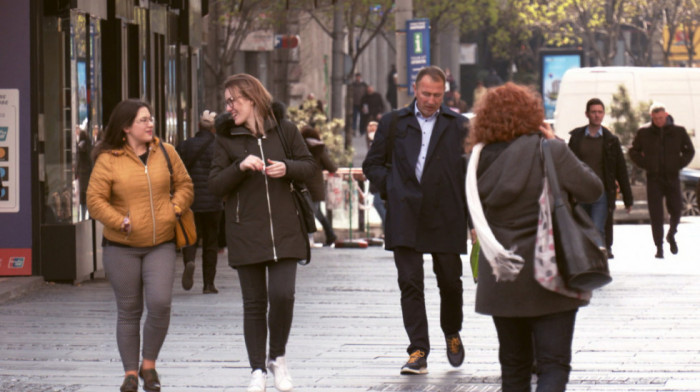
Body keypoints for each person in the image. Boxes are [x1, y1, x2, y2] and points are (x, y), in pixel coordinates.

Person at [466, 82, 603, 391]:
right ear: (532, 114)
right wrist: (557, 144)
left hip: (502, 279)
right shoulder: (550, 150)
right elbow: (592, 189)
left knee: (514, 367)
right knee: (553, 365)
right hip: (551, 274)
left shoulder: (475, 159)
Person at [208, 73, 316, 392]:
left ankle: (277, 358)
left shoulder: (285, 130)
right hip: (245, 232)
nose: (229, 108)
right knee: (254, 303)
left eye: (234, 101)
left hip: (286, 229)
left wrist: (287, 167)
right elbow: (214, 186)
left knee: (283, 295)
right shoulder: (226, 139)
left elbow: (309, 167)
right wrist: (239, 167)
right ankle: (257, 369)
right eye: (226, 102)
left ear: (252, 99)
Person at [362, 65, 469, 374]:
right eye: (426, 93)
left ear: (444, 94)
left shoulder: (459, 125)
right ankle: (418, 350)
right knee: (410, 282)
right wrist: (392, 187)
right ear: (414, 89)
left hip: (446, 213)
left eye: (437, 95)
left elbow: (469, 175)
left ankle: (451, 330)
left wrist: (474, 221)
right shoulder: (393, 122)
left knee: (450, 281)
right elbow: (372, 164)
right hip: (405, 213)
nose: (431, 100)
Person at [87, 99, 194, 392]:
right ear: (125, 127)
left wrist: (174, 208)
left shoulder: (167, 153)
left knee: (160, 303)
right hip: (121, 246)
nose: (150, 124)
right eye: (142, 120)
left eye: (151, 118)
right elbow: (94, 200)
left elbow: (185, 185)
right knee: (129, 310)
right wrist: (118, 219)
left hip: (160, 243)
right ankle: (131, 374)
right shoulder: (109, 159)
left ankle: (150, 365)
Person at [568, 98, 633, 258]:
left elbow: (620, 170)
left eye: (600, 112)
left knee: (598, 227)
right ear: (587, 114)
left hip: (601, 192)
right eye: (593, 112)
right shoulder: (576, 138)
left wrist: (628, 198)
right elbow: (567, 165)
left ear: (603, 114)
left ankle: (598, 259)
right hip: (580, 192)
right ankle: (587, 260)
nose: (597, 115)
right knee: (582, 228)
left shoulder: (610, 140)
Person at [629, 102, 695, 258]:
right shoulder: (644, 132)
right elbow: (633, 152)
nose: (659, 121)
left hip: (672, 177)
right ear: (652, 117)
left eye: (661, 117)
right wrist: (646, 164)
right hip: (654, 178)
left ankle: (671, 234)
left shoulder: (678, 131)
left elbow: (689, 151)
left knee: (677, 209)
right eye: (656, 118)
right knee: (656, 214)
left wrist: (678, 164)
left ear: (666, 115)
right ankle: (659, 247)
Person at [176, 110, 223, 294]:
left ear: (198, 126)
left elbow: (176, 171)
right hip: (213, 202)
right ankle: (209, 284)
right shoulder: (219, 146)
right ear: (213, 128)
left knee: (190, 236)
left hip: (191, 202)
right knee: (211, 242)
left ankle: (189, 261)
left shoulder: (186, 145)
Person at [300, 125, 338, 246]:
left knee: (311, 212)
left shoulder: (299, 147)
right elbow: (331, 167)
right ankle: (330, 235)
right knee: (315, 212)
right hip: (316, 187)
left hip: (302, 185)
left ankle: (313, 238)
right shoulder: (319, 149)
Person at [365, 121, 386, 234]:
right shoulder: (371, 143)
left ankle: (388, 228)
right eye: (370, 130)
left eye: (373, 130)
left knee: (378, 203)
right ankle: (386, 230)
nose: (371, 132)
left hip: (380, 179)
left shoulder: (379, 142)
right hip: (377, 179)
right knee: (381, 204)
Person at [76, 128, 93, 219]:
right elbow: (91, 160)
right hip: (88, 173)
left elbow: (78, 161)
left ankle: (82, 215)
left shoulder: (79, 146)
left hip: (81, 173)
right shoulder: (89, 146)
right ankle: (90, 214)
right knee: (88, 193)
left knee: (82, 194)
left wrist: (76, 172)